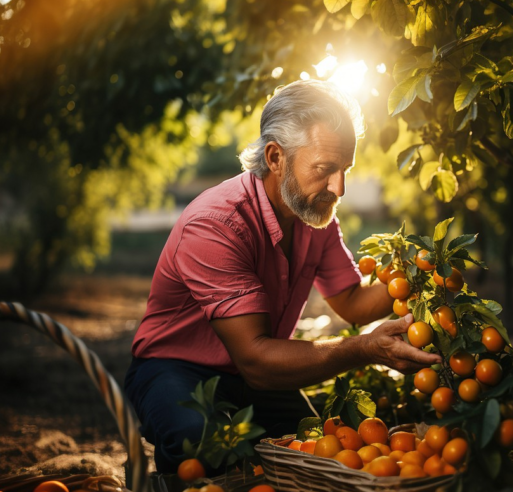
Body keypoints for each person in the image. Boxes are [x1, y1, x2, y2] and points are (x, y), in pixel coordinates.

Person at [124, 79, 441, 474]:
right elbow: (256, 358)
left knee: (315, 454)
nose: (339, 187)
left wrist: (423, 278)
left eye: (345, 170)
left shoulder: (315, 215)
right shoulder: (216, 224)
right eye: (325, 169)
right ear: (275, 157)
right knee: (200, 448)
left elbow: (352, 302)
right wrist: (364, 348)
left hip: (253, 373)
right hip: (174, 367)